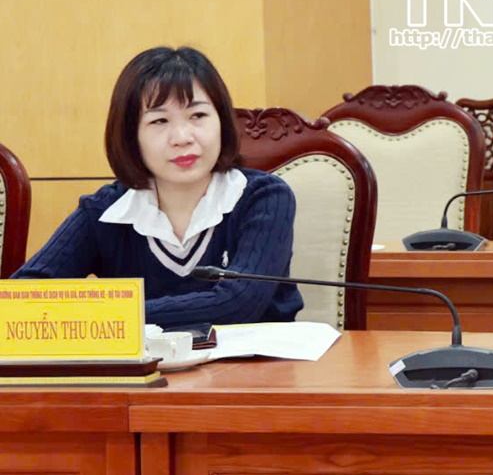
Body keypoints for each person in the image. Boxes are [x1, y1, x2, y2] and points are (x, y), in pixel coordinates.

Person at [13, 46, 302, 326]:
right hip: (145, 362)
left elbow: (237, 304)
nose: (182, 137)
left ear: (222, 122)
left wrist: (109, 314)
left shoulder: (264, 198)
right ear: (131, 136)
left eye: (198, 116)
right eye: (159, 120)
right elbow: (22, 299)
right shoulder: (105, 212)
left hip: (257, 359)